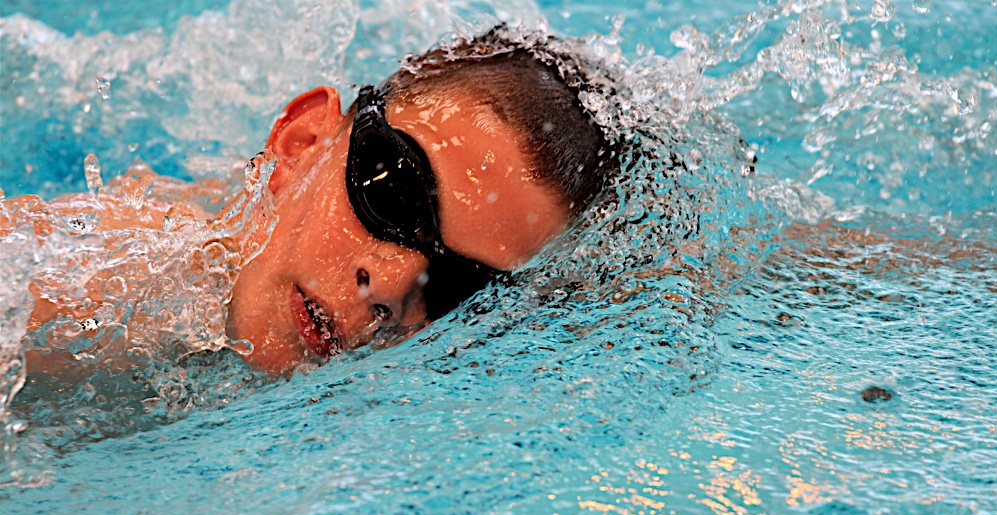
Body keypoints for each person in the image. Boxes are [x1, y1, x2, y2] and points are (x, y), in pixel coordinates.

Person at [14, 28, 619, 378]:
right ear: (302, 143)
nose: (391, 287)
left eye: (461, 285)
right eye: (395, 195)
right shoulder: (80, 293)